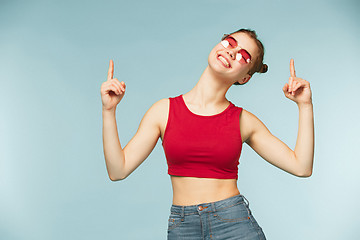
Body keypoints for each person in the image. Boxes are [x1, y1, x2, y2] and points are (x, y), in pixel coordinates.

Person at [100, 29, 314, 240]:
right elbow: (118, 170)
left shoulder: (243, 121)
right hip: (183, 227)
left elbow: (301, 167)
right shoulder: (163, 111)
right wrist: (109, 111)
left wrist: (305, 105)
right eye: (230, 43)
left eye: (243, 55)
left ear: (245, 78)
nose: (232, 52)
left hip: (234, 224)